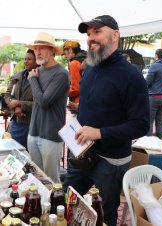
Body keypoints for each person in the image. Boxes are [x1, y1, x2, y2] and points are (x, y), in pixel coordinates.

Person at [63, 15, 150, 226]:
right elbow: (94, 103)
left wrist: (99, 132)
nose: (91, 38)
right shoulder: (91, 68)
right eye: (88, 34)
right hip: (82, 152)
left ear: (115, 35)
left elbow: (141, 124)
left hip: (110, 162)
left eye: (97, 32)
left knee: (104, 215)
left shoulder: (131, 76)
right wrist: (77, 117)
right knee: (67, 203)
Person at [26, 32, 70, 183]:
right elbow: (37, 100)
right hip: (33, 132)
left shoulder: (61, 74)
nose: (37, 52)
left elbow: (44, 101)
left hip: (51, 135)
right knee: (37, 179)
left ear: (52, 50)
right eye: (36, 48)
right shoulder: (38, 71)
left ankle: (55, 207)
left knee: (51, 181)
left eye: (42, 48)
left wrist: (33, 80)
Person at [4, 49, 38, 149]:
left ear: (37, 61)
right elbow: (7, 96)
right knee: (11, 151)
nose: (26, 61)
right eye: (25, 59)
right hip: (16, 121)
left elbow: (40, 102)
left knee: (27, 156)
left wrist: (20, 104)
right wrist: (15, 107)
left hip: (30, 123)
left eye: (29, 59)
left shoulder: (40, 78)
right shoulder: (17, 77)